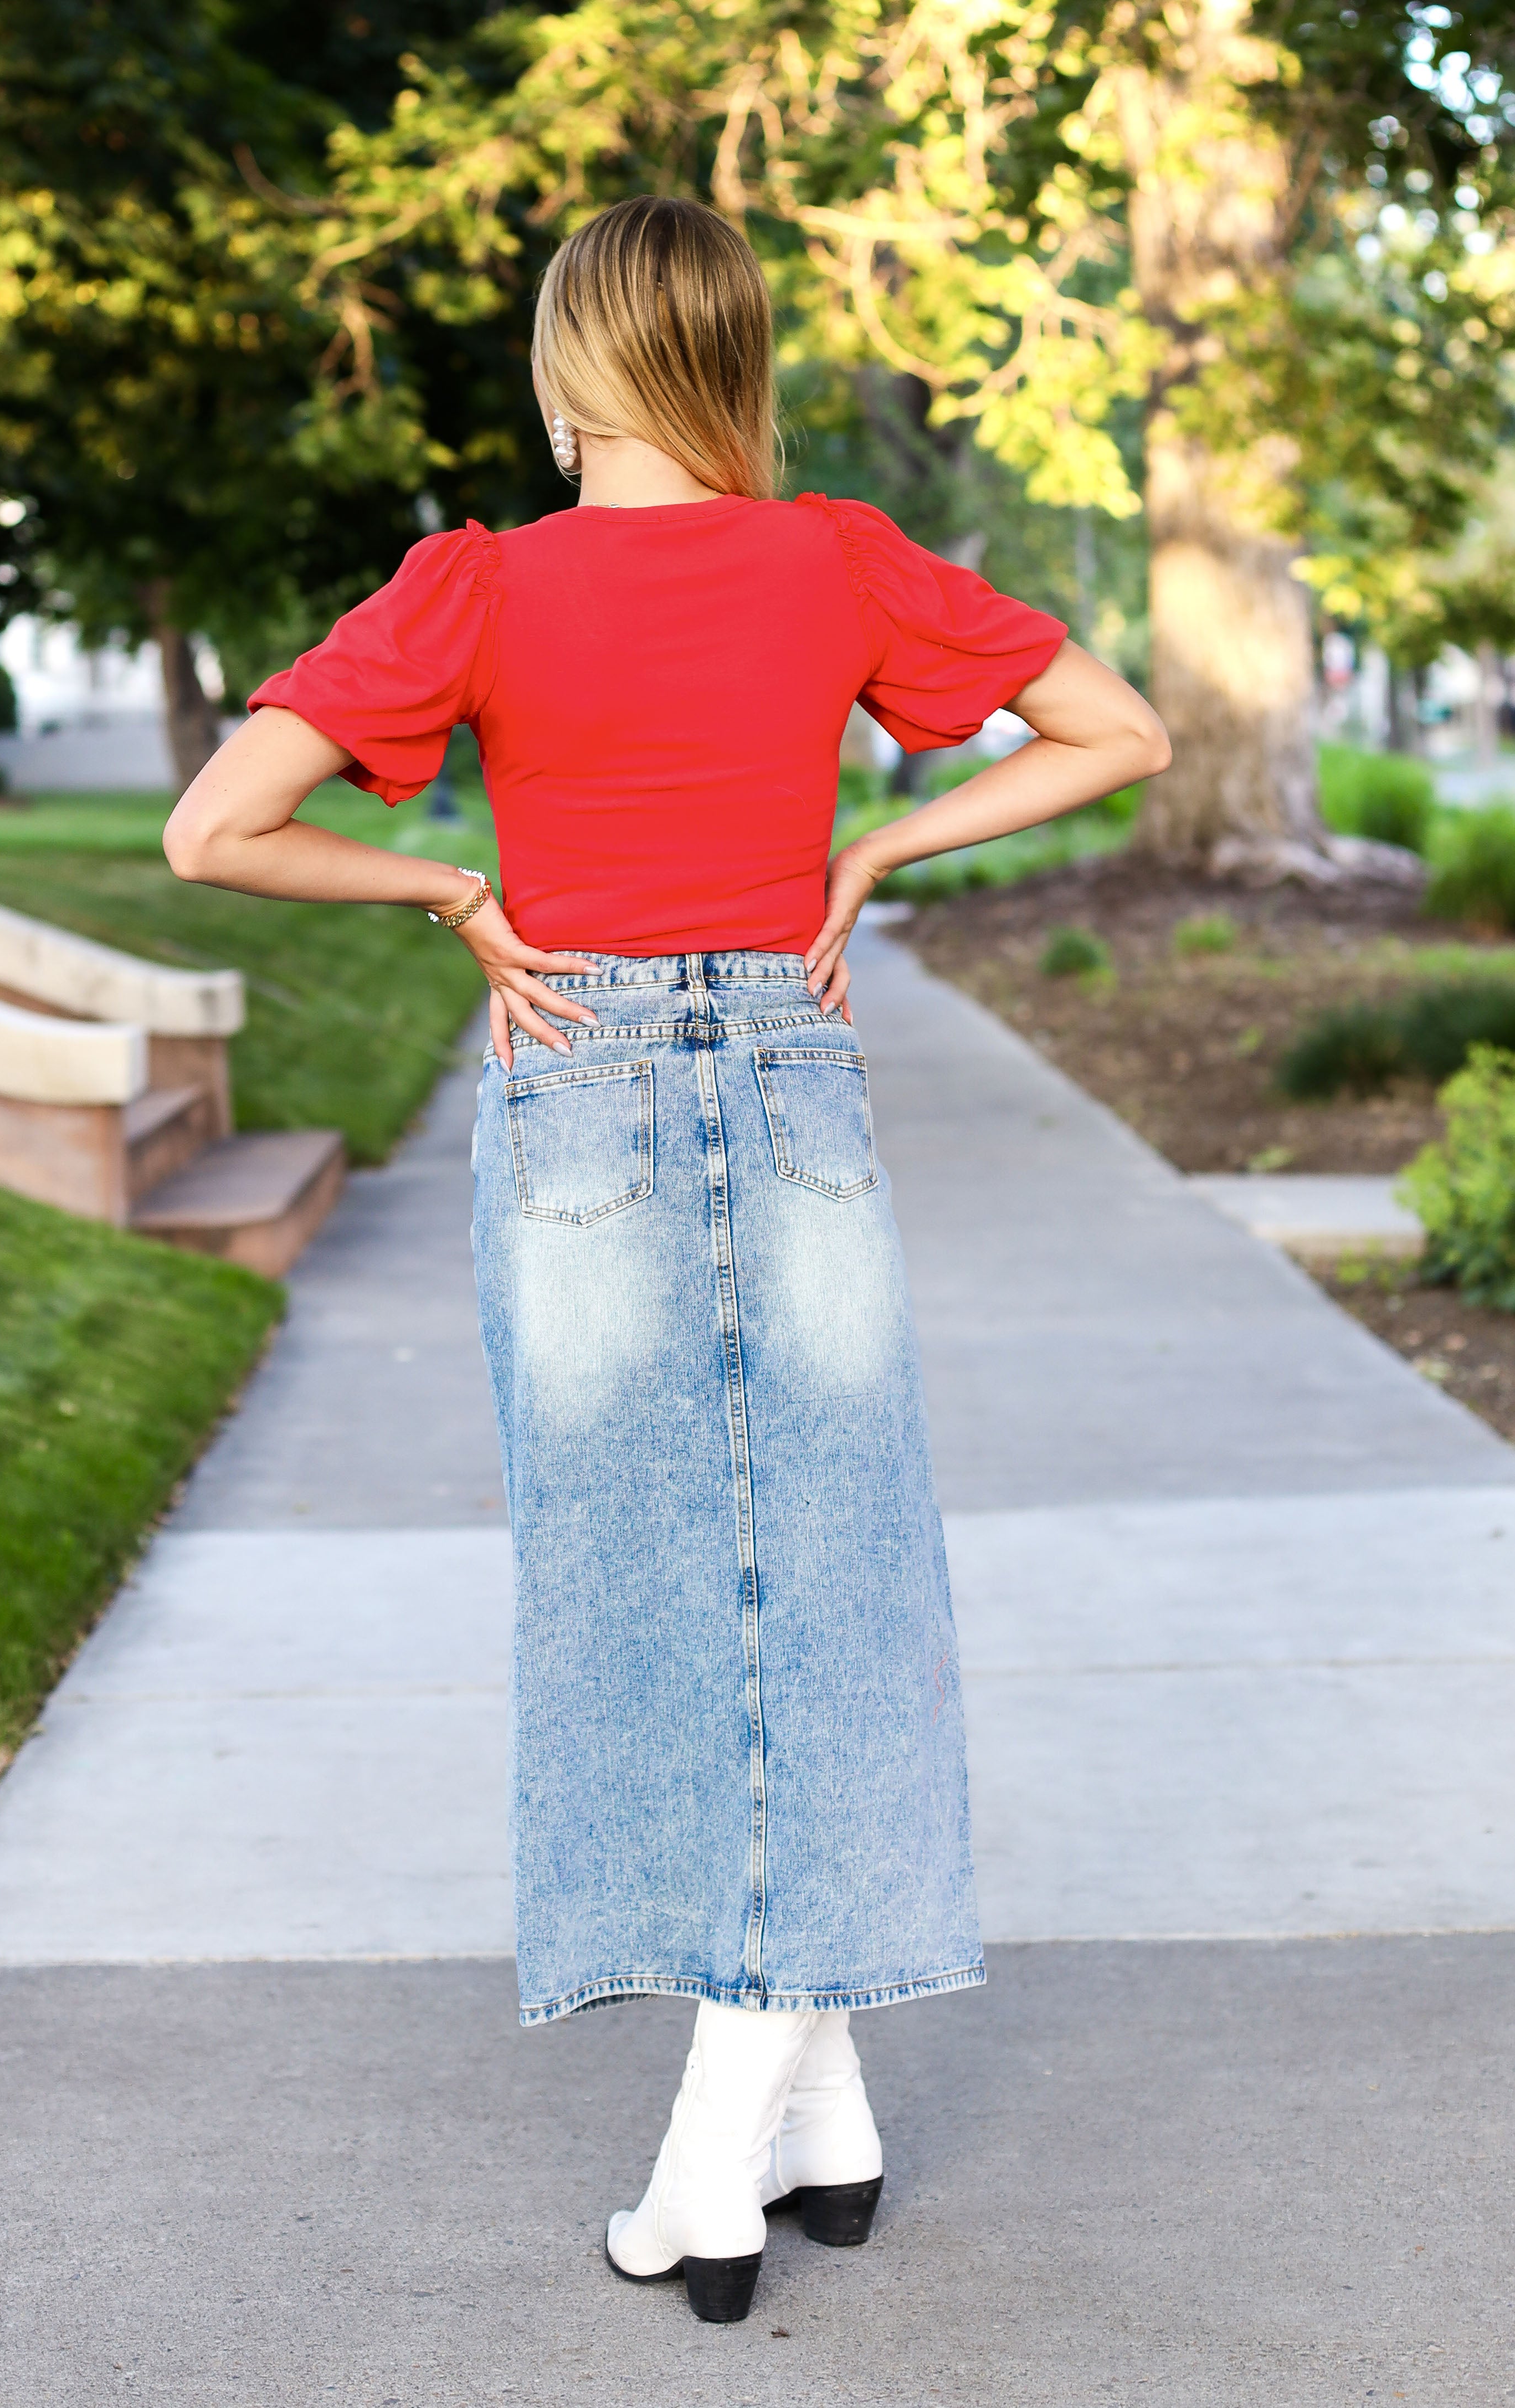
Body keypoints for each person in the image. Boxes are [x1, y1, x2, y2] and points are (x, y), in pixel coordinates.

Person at [164, 193, 1169, 2325]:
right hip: (792, 1077)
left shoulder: (474, 586)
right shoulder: (839, 559)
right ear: (731, 362)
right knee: (822, 1586)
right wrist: (882, 841)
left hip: (580, 1086)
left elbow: (214, 826)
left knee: (650, 1603)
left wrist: (451, 896)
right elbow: (1121, 732)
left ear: (565, 369)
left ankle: (711, 2166)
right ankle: (827, 2112)